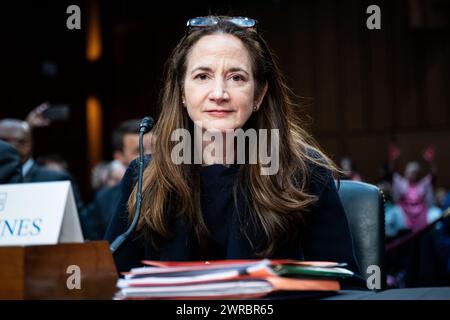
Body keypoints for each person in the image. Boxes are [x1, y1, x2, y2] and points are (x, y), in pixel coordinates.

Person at [105, 16, 360, 281]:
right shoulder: (145, 175)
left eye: (236, 78)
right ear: (182, 92)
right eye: (203, 76)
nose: (219, 93)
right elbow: (113, 282)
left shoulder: (304, 171)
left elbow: (345, 285)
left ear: (259, 95)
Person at [82, 120, 152, 240]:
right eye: (139, 150)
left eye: (155, 146)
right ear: (119, 158)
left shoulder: (182, 189)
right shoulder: (104, 199)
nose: (151, 155)